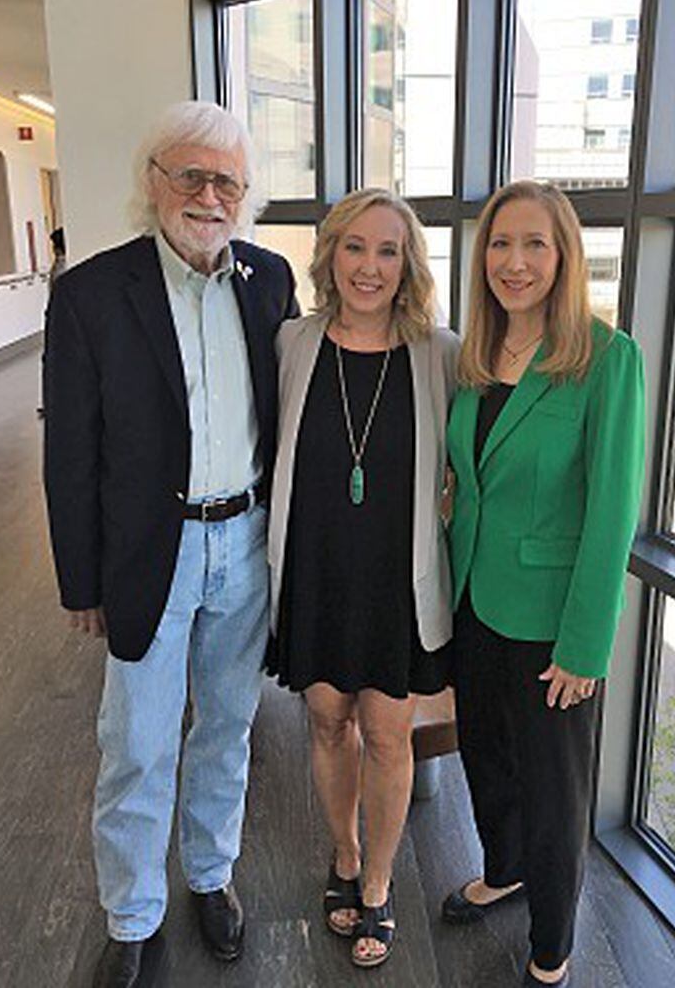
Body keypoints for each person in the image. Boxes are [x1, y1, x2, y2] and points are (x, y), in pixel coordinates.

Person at [42, 101, 298, 988]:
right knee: (139, 741)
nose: (209, 194)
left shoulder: (269, 280)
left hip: (247, 540)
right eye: (190, 175)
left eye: (227, 181)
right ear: (152, 182)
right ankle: (131, 916)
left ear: (245, 197)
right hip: (151, 551)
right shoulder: (89, 292)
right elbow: (69, 449)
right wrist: (81, 578)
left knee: (228, 728)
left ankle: (210, 874)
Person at [442, 181, 645, 987]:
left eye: (533, 244)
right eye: (499, 244)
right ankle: (506, 866)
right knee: (486, 757)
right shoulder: (474, 357)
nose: (514, 262)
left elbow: (612, 513)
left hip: (550, 621)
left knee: (557, 792)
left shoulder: (605, 358)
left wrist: (586, 643)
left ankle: (554, 942)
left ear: (563, 257)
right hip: (472, 601)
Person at [266, 188, 458, 969]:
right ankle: (343, 854)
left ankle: (376, 879)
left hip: (396, 582)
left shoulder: (439, 353)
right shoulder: (291, 343)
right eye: (355, 247)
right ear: (331, 255)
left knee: (387, 733)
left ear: (408, 265)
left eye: (387, 251)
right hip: (314, 571)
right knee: (324, 721)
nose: (369, 267)